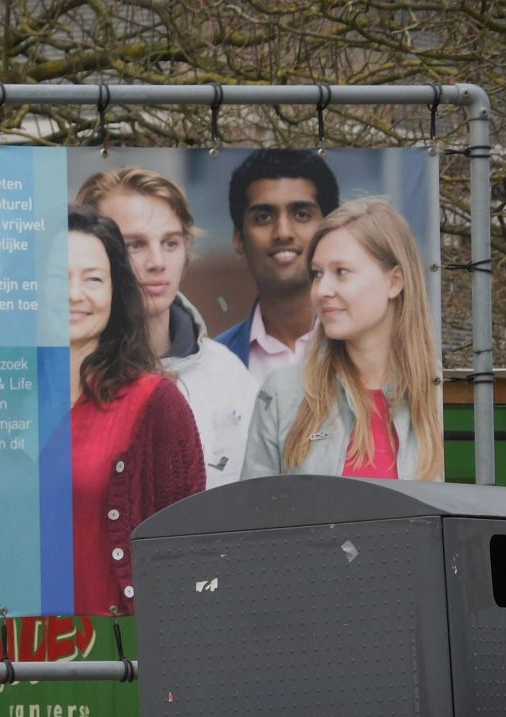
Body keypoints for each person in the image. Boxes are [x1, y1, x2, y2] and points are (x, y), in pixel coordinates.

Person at [76, 166, 258, 488]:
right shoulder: (64, 374)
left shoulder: (226, 373)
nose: (157, 261)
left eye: (170, 243)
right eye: (134, 245)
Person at [241, 198, 443, 481]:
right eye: (317, 274)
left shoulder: (440, 395)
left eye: (342, 272)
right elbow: (254, 516)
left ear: (394, 281)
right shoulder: (282, 394)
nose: (322, 290)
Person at [67, 204, 205, 615]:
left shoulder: (156, 402)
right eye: (57, 278)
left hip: (119, 659)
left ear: (115, 291)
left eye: (93, 279)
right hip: (12, 660)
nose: (74, 294)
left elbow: (188, 552)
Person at [217, 149, 340, 382]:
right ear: (239, 241)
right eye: (263, 217)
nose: (283, 232)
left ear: (330, 232)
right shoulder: (214, 366)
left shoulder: (367, 352)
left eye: (301, 214)